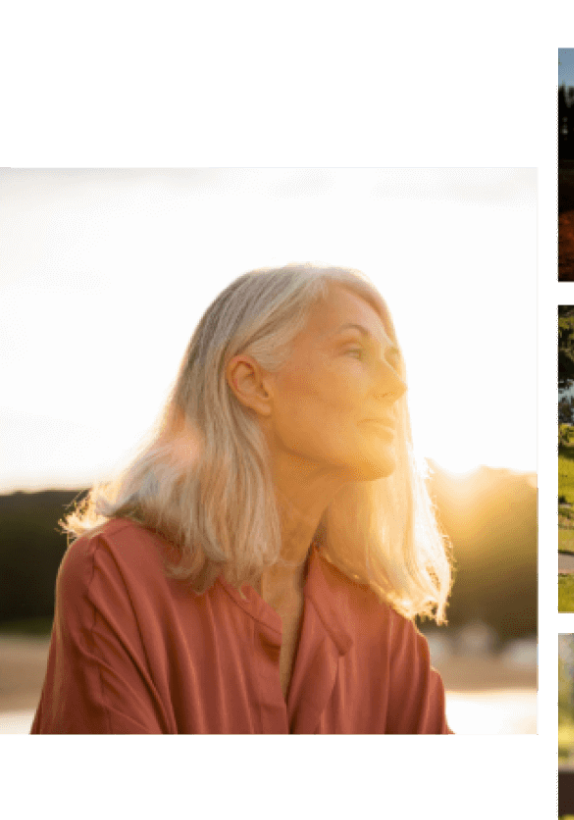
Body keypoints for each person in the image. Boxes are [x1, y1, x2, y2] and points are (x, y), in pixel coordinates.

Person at [31, 265, 455, 734]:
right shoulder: (116, 575)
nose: (396, 385)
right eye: (355, 351)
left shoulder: (386, 639)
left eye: (393, 360)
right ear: (252, 383)